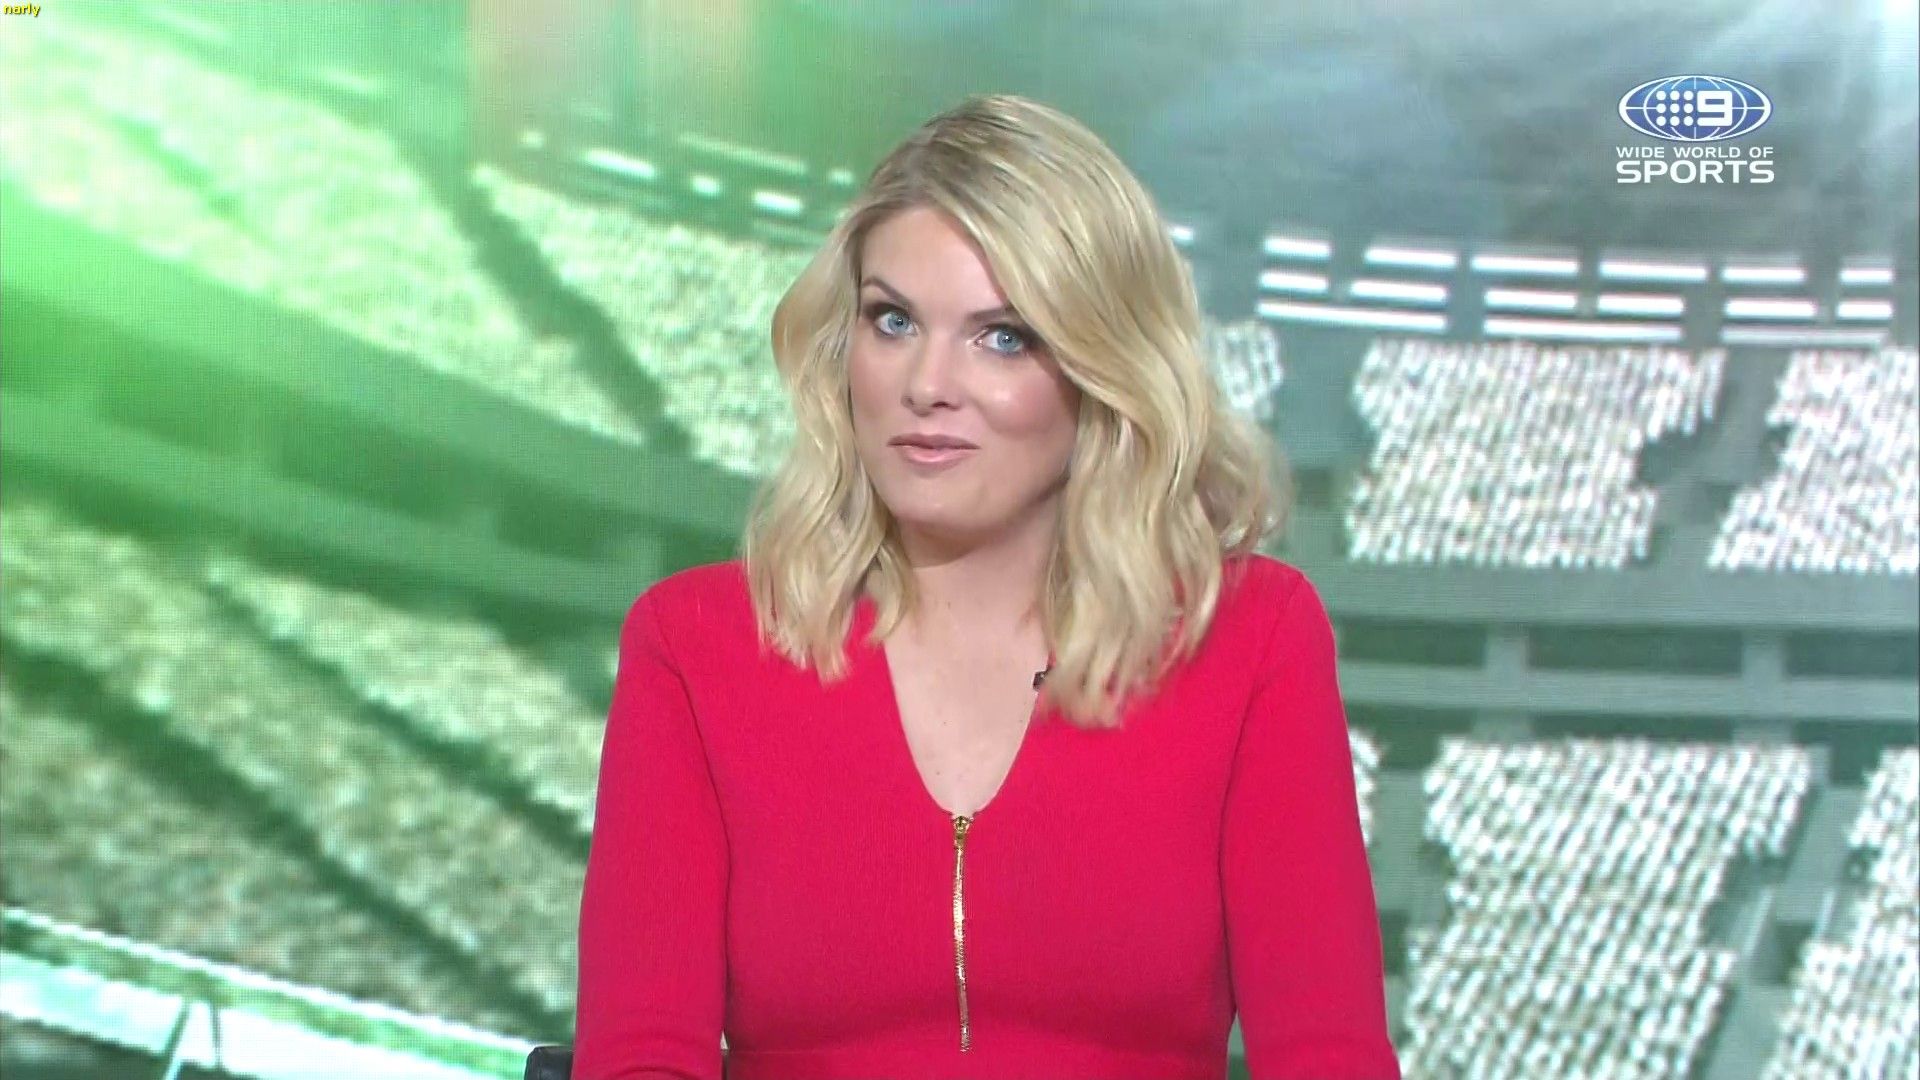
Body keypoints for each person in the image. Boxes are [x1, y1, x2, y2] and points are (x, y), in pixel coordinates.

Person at [574, 92, 1400, 1080]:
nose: (927, 383)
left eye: (1002, 337)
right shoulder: (697, 645)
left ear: (1103, 368)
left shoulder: (1251, 636)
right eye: (892, 322)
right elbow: (640, 1057)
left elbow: (1327, 1057)